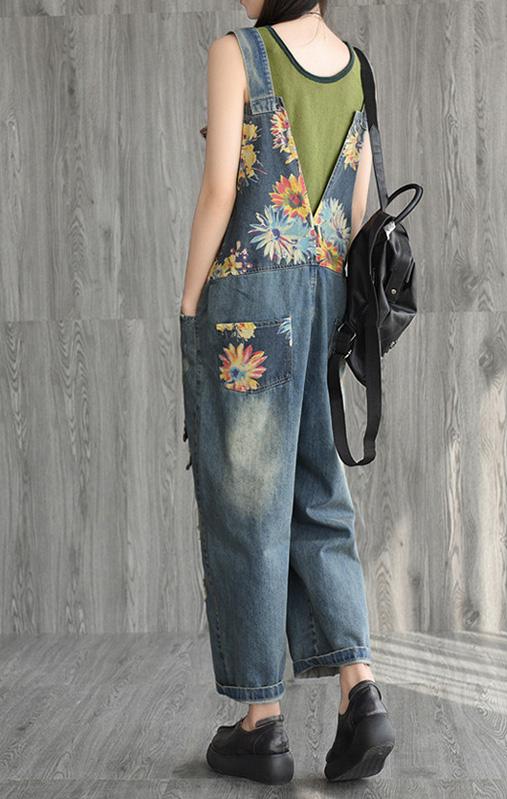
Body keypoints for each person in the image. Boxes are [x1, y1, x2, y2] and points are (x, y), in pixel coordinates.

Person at [179, 0, 395, 784]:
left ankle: (260, 720)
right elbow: (358, 208)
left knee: (247, 509)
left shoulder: (237, 52)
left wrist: (189, 304)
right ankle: (360, 691)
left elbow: (219, 190)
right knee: (316, 492)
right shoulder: (354, 66)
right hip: (323, 299)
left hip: (248, 299)